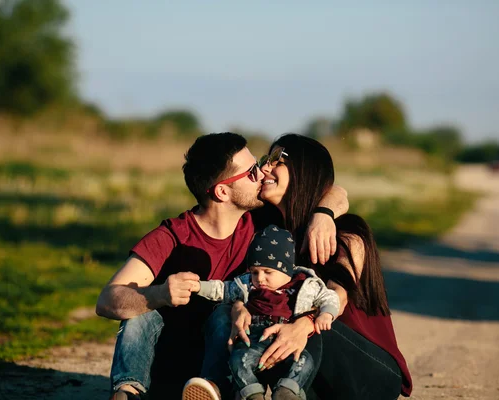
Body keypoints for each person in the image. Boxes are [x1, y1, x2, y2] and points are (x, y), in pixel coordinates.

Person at [95, 132, 349, 400]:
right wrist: (158, 294)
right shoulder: (173, 235)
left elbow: (336, 191)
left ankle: (216, 387)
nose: (263, 172)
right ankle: (128, 393)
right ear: (222, 191)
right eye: (252, 172)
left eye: (261, 163)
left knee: (224, 312)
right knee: (140, 311)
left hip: (226, 366)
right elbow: (107, 300)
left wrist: (324, 214)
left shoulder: (263, 228)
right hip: (170, 366)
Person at [187, 134, 413, 399]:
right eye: (264, 159)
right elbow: (247, 288)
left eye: (276, 159)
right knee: (263, 328)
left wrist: (304, 325)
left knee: (303, 329)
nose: (265, 168)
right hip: (312, 370)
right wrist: (238, 308)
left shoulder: (350, 234)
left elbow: (337, 299)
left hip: (367, 371)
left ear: (303, 170)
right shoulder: (270, 237)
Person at [186, 224, 339, 400]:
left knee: (305, 362)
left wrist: (327, 313)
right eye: (254, 272)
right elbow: (223, 289)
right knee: (238, 361)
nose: (260, 279)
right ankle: (252, 394)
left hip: (287, 342)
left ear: (287, 269)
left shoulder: (305, 285)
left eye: (268, 272)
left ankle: (287, 392)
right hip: (254, 341)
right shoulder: (247, 285)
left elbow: (329, 297)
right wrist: (198, 286)